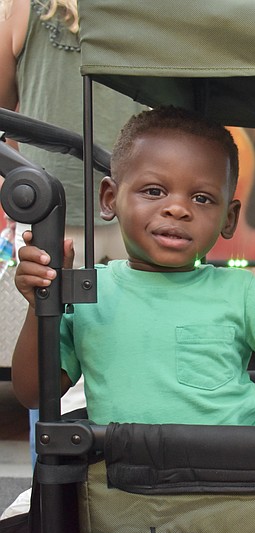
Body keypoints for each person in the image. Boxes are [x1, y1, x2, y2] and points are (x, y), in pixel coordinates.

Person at [12, 106, 255, 466]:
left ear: (227, 219)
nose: (177, 209)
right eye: (154, 191)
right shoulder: (89, 291)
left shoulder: (239, 291)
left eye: (201, 198)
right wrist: (40, 303)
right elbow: (33, 392)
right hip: (130, 495)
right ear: (110, 199)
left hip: (237, 482)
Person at [1, 0, 146, 465]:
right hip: (139, 201)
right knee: (137, 342)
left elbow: (4, 113)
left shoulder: (21, 10)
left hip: (51, 203)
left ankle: (58, 478)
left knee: (54, 344)